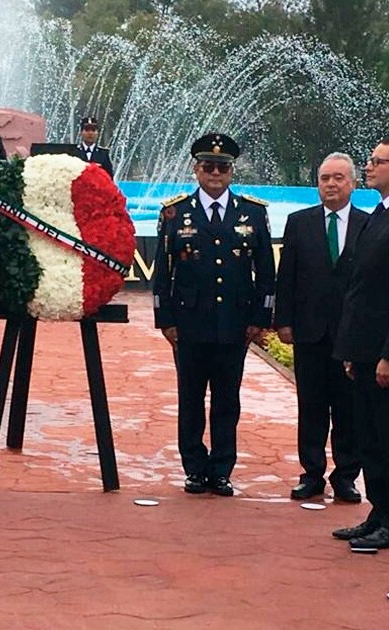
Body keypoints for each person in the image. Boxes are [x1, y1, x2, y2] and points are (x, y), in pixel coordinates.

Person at [151, 133, 275, 496]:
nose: (215, 173)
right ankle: (193, 467)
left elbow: (265, 272)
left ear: (232, 171)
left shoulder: (252, 212)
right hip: (189, 324)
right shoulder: (175, 212)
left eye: (222, 167)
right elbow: (163, 272)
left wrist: (260, 318)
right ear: (196, 169)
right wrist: (166, 320)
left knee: (227, 400)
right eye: (208, 166)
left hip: (234, 324)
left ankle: (221, 469)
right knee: (190, 399)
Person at [331, 138, 389, 551]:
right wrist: (353, 349)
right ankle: (379, 511)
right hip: (364, 349)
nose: (368, 167)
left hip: (385, 353)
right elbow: (361, 287)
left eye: (377, 162)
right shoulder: (382, 212)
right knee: (369, 435)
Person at [274, 152, 367, 503]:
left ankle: (345, 475)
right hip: (309, 331)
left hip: (350, 336)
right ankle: (311, 474)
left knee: (348, 409)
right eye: (325, 178)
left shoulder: (367, 224)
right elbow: (288, 277)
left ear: (352, 184)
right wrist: (282, 321)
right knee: (311, 406)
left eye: (338, 178)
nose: (331, 184)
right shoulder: (299, 223)